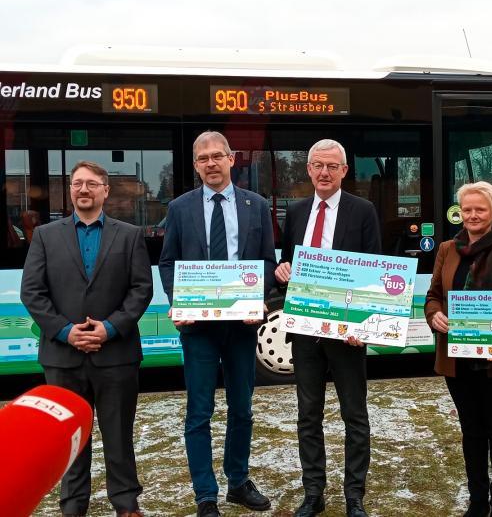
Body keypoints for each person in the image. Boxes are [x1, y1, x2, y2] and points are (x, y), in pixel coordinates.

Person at [20, 160, 152, 517]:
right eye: (77, 183)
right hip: (63, 357)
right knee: (69, 439)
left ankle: (126, 504)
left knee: (119, 436)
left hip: (117, 356)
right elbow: (32, 292)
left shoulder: (130, 235)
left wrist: (109, 328)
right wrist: (66, 332)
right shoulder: (47, 236)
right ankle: (73, 506)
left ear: (105, 191)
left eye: (92, 184)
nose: (83, 190)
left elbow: (141, 290)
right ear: (70, 189)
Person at [158, 131, 276, 517]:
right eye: (203, 158)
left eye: (217, 156)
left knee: (242, 408)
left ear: (231, 159)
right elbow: (168, 262)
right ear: (195, 165)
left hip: (242, 327)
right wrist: (180, 303)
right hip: (199, 330)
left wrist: (259, 299)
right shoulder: (179, 208)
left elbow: (267, 263)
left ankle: (238, 482)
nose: (210, 163)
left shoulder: (256, 205)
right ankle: (205, 494)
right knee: (199, 412)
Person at [274, 139, 381, 517]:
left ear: (344, 171)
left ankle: (354, 495)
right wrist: (282, 270)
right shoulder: (298, 211)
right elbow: (288, 263)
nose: (323, 172)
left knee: (355, 414)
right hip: (305, 333)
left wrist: (362, 326)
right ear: (308, 169)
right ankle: (313, 493)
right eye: (317, 165)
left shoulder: (363, 211)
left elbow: (373, 275)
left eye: (331, 166)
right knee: (309, 415)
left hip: (348, 334)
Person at [424, 181, 492, 517]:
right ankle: (477, 501)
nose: (472, 215)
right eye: (467, 209)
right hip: (457, 358)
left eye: (480, 209)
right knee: (471, 429)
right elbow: (433, 295)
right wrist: (434, 315)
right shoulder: (447, 248)